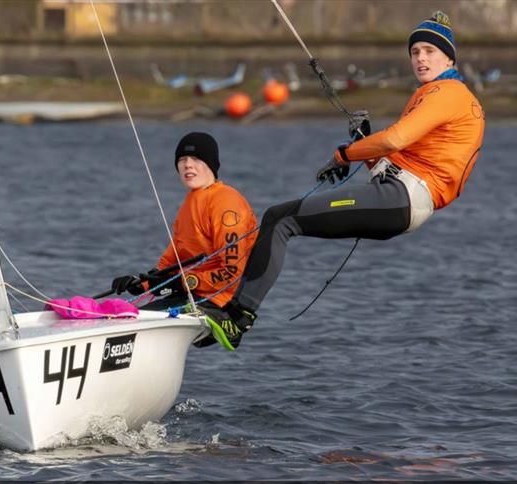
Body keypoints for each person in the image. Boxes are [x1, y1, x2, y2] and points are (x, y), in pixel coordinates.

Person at [205, 10, 485, 349]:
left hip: (403, 199)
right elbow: (396, 160)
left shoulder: (448, 93)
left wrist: (343, 155)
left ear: (449, 57)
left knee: (282, 219)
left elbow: (395, 140)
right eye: (415, 52)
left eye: (430, 51)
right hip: (398, 196)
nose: (421, 58)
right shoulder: (434, 94)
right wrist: (364, 146)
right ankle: (229, 318)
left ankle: (238, 317)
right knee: (278, 217)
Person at [110, 131, 258, 350]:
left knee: (127, 321)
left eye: (196, 159)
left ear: (211, 164)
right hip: (192, 293)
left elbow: (231, 271)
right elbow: (172, 261)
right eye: (182, 160)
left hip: (218, 300)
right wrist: (140, 283)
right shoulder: (190, 203)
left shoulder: (226, 202)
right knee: (117, 313)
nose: (188, 165)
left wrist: (183, 281)